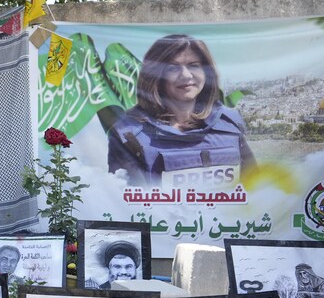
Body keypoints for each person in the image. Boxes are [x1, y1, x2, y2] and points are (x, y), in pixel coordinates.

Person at [107, 34, 256, 187]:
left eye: (193, 65)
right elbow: (126, 205)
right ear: (155, 75)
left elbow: (256, 189)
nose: (185, 75)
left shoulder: (229, 125)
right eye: (172, 67)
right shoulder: (129, 136)